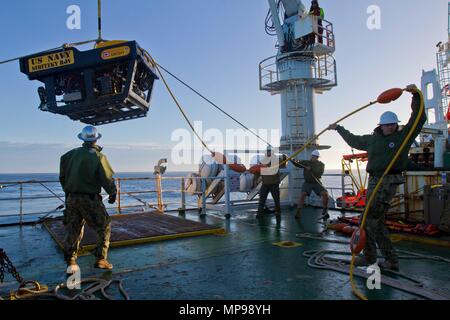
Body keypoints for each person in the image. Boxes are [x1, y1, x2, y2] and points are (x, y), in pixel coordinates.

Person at [328, 84, 426, 271]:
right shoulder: (372, 139)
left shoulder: (403, 136)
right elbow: (354, 140)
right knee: (376, 221)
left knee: (368, 219)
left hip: (388, 180)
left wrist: (415, 96)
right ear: (380, 125)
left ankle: (372, 258)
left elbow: (419, 118)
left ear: (396, 124)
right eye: (387, 124)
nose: (390, 127)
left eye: (393, 124)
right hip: (374, 180)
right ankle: (388, 260)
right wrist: (338, 128)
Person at [60, 126, 117, 271]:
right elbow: (106, 179)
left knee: (73, 228)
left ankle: (71, 262)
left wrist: (69, 192)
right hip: (89, 199)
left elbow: (62, 177)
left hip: (71, 198)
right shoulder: (98, 157)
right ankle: (101, 259)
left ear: (82, 138)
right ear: (96, 139)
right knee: (104, 225)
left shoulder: (69, 156)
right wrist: (112, 193)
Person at [291, 150, 329, 220]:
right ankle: (298, 211)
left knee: (325, 194)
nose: (314, 158)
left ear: (318, 157)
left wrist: (311, 169)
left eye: (316, 157)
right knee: (303, 195)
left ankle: (325, 208)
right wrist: (292, 160)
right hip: (308, 182)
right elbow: (297, 163)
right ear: (311, 156)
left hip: (317, 182)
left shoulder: (321, 165)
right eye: (313, 156)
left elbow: (319, 173)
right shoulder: (306, 162)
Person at [257, 147, 282, 218]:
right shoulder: (262, 160)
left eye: (269, 151)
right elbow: (258, 170)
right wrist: (255, 179)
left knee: (276, 198)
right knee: (262, 198)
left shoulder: (276, 159)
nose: (268, 152)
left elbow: (281, 161)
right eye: (267, 151)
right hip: (265, 183)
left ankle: (278, 212)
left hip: (274, 183)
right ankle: (259, 213)